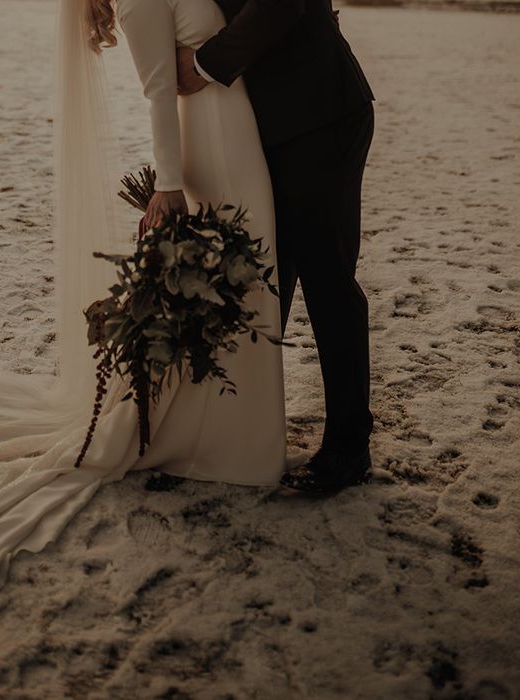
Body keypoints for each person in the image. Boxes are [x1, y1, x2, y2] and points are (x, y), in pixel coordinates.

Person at [0, 0, 289, 659]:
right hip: (212, 142)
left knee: (244, 286)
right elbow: (157, 88)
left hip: (232, 127)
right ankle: (224, 444)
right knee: (240, 281)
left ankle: (234, 435)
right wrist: (172, 185)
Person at [174, 0, 376, 494]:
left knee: (328, 283)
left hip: (319, 118)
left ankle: (349, 448)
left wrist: (203, 64)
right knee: (267, 282)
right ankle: (244, 431)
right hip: (270, 126)